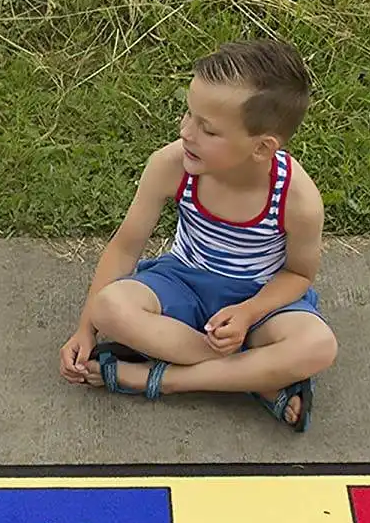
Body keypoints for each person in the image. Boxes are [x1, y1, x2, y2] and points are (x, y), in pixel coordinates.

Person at [59, 39, 337, 430]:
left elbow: (298, 275)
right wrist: (85, 329)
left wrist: (248, 313)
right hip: (181, 282)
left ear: (262, 147)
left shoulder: (298, 198)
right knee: (110, 306)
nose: (186, 131)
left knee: (318, 344)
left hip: (257, 300)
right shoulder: (172, 164)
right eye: (189, 115)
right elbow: (125, 247)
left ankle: (159, 378)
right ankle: (254, 378)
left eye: (207, 129)